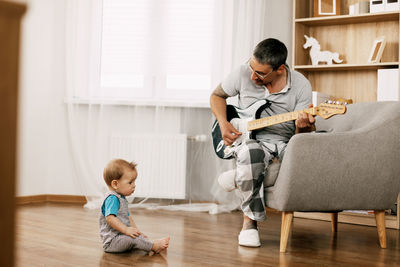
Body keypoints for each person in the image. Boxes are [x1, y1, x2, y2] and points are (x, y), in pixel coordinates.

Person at [209, 38, 315, 247]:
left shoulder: (301, 84)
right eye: (252, 68)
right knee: (251, 154)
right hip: (250, 141)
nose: (252, 76)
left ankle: (240, 176)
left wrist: (303, 124)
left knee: (305, 160)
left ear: (280, 69)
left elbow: (302, 135)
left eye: (260, 73)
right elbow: (216, 96)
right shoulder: (242, 73)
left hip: (286, 142)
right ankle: (249, 224)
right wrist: (223, 124)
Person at [99, 159, 170, 253]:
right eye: (130, 182)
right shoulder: (112, 199)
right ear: (115, 184)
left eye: (134, 182)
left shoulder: (121, 198)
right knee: (133, 238)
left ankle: (149, 242)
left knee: (137, 236)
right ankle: (154, 246)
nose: (134, 186)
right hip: (112, 242)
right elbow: (110, 218)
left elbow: (128, 217)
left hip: (121, 236)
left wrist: (137, 232)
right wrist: (126, 230)